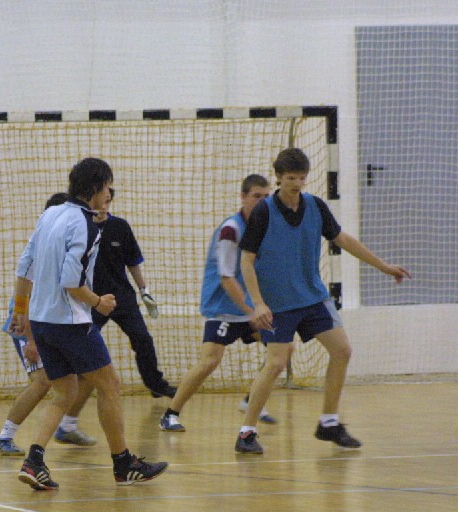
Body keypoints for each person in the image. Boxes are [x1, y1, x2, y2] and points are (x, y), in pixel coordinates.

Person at [235, 148, 410, 454]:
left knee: (342, 350)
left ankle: (329, 422)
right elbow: (246, 261)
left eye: (302, 178)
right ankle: (246, 432)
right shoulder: (264, 212)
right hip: (278, 302)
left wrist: (383, 266)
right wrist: (258, 303)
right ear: (279, 177)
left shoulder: (315, 206)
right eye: (291, 178)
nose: (297, 183)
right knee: (275, 364)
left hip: (312, 297)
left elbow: (343, 239)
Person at [12, 157, 168, 489]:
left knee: (65, 391)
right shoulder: (87, 226)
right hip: (70, 322)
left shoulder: (50, 214)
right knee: (110, 384)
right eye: (107, 186)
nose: (109, 193)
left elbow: (25, 265)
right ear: (96, 188)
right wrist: (99, 302)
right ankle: (123, 463)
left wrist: (20, 312)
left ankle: (34, 461)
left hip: (41, 320)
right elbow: (71, 282)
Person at [157, 174, 287, 433]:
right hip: (224, 308)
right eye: (256, 196)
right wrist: (251, 310)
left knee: (283, 350)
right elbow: (227, 277)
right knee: (210, 361)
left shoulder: (267, 226)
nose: (262, 202)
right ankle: (170, 414)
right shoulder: (231, 230)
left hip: (250, 307)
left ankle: (251, 400)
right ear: (243, 197)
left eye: (266, 197)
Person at [0, 194, 97, 457]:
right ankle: (5, 436)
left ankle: (67, 426)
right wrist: (30, 341)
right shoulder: (44, 250)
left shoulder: (61, 246)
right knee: (42, 382)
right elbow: (27, 300)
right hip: (27, 323)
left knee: (78, 377)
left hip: (44, 322)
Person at [88, 187, 176, 399]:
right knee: (84, 341)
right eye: (101, 201)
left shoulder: (120, 227)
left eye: (108, 202)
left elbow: (133, 262)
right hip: (93, 299)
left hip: (122, 296)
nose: (104, 206)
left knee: (143, 339)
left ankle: (156, 385)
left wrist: (144, 291)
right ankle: (76, 387)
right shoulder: (82, 228)